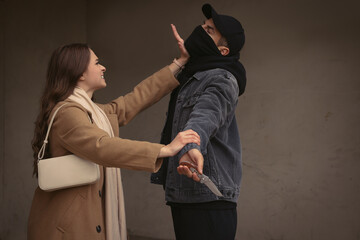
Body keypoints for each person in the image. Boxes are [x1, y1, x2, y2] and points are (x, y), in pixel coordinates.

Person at [28, 24, 200, 240]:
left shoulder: (94, 112)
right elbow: (101, 146)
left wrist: (179, 63)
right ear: (79, 73)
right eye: (97, 63)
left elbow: (135, 99)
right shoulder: (67, 112)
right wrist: (164, 149)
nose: (103, 68)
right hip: (68, 229)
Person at [151, 3, 246, 240]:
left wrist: (191, 145)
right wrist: (184, 59)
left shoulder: (223, 79)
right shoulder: (193, 75)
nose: (201, 30)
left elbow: (205, 115)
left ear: (223, 50)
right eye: (203, 26)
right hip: (186, 192)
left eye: (209, 31)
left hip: (208, 198)